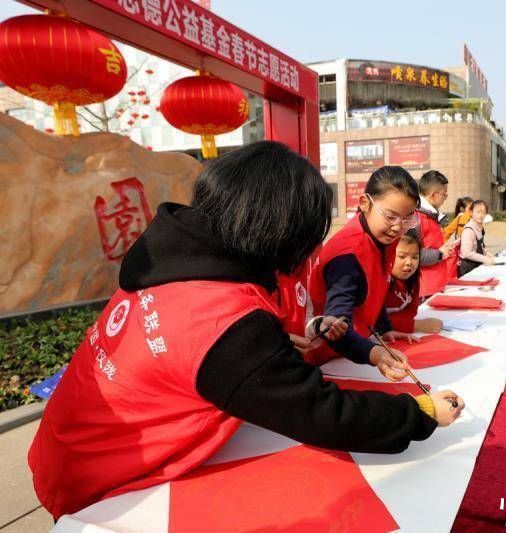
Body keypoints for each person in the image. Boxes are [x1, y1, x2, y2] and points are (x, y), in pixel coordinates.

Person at [28, 142, 465, 520]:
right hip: (101, 476)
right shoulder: (222, 319)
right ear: (281, 232)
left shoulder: (175, 260)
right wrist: (421, 412)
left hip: (75, 440)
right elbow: (322, 415)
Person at [308, 166, 422, 374]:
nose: (398, 227)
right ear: (364, 203)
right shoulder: (347, 256)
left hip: (353, 352)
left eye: (407, 219)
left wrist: (385, 329)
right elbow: (335, 329)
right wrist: (375, 354)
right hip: (327, 359)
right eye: (390, 217)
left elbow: (375, 291)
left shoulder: (381, 239)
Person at [385, 233, 444, 334]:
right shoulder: (381, 282)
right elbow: (375, 321)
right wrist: (415, 325)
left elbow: (411, 311)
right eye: (402, 256)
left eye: (415, 257)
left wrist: (398, 323)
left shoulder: (413, 280)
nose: (409, 262)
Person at [412, 170, 458, 297]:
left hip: (436, 285)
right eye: (444, 195)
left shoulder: (431, 216)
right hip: (425, 289)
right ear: (433, 195)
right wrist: (439, 254)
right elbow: (411, 254)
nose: (445, 199)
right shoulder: (416, 218)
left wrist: (444, 250)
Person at [458, 200, 494, 276]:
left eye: (483, 212)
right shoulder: (469, 230)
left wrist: (487, 253)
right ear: (471, 213)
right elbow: (466, 253)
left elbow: (480, 246)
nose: (481, 215)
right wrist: (485, 259)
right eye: (478, 212)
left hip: (476, 266)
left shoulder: (479, 227)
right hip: (468, 269)